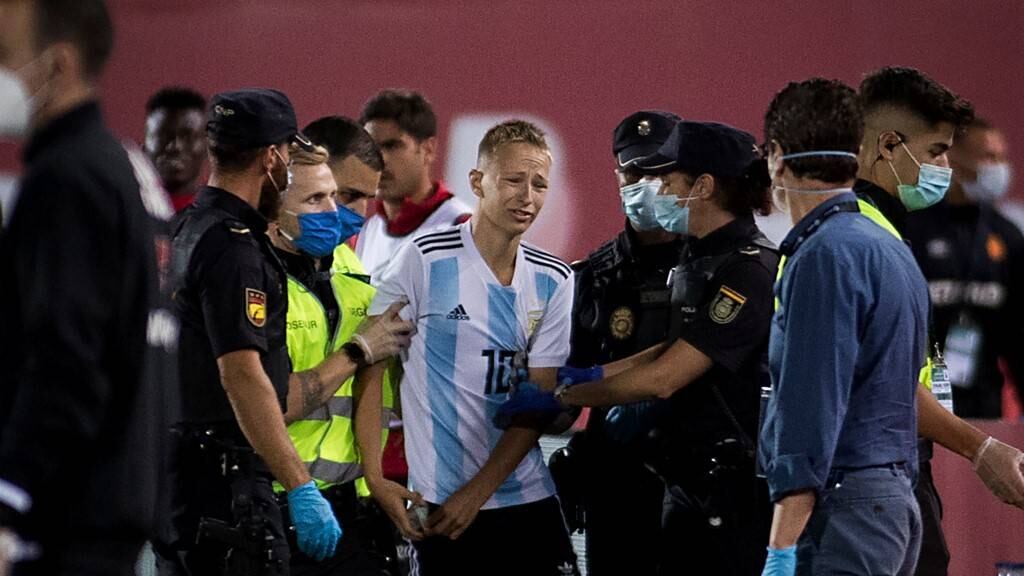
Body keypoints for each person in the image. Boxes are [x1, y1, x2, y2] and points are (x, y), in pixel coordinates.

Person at [498, 120, 777, 575]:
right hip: (675, 486)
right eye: (639, 174)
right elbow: (671, 348)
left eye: (668, 178)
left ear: (703, 186)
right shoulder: (700, 258)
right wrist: (588, 375)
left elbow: (665, 377)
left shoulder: (747, 270)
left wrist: (566, 393)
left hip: (724, 493)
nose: (658, 188)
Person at [354, 120, 579, 575]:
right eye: (513, 180)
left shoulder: (555, 279)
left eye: (539, 185)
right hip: (440, 505)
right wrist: (374, 478)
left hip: (527, 499)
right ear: (477, 182)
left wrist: (477, 493)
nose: (527, 197)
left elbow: (537, 402)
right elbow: (371, 367)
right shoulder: (423, 260)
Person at [0, 1, 178, 574]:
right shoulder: (125, 167)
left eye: (4, 54)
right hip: (117, 497)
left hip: (63, 515)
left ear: (58, 64)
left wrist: (10, 498)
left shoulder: (67, 177)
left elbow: (67, 361)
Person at [162, 88, 343, 576]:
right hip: (226, 490)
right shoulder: (234, 247)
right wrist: (300, 485)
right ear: (271, 159)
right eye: (286, 154)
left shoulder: (184, 227)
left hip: (181, 481)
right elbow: (242, 374)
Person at [856, 66, 1024, 576]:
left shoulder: (889, 230)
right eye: (935, 152)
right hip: (870, 473)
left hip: (908, 454)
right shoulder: (860, 241)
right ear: (889, 145)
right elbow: (883, 382)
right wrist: (981, 448)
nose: (944, 167)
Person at [759, 77, 928, 576]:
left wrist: (781, 546)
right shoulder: (888, 247)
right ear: (856, 154)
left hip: (843, 510)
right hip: (890, 502)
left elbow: (811, 405)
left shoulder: (823, 257)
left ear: (776, 156)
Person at [267, 143, 413, 576]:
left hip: (348, 506)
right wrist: (358, 350)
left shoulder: (354, 273)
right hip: (274, 499)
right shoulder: (250, 277)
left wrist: (375, 480)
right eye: (329, 196)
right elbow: (268, 403)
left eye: (357, 198)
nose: (343, 212)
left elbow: (377, 389)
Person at [563, 110, 682, 576]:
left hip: (694, 481)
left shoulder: (718, 267)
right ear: (616, 176)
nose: (644, 184)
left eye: (657, 171)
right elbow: (567, 389)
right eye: (633, 173)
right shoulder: (593, 276)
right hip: (618, 483)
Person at [906, 117, 1024, 418]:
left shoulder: (1008, 236)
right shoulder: (912, 228)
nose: (998, 168)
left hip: (983, 404)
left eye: (1001, 158)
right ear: (954, 160)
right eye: (988, 157)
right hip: (918, 403)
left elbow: (1018, 336)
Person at [356, 89, 471, 283]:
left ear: (428, 150)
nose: (379, 159)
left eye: (392, 146)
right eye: (371, 148)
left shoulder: (463, 228)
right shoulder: (367, 233)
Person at [303, 115, 386, 277]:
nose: (360, 214)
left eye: (367, 198)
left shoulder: (353, 268)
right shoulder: (254, 260)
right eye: (350, 195)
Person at [144, 86, 207, 212]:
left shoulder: (224, 214)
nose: (175, 147)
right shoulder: (123, 210)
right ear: (144, 147)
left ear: (207, 148)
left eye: (188, 137)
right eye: (163, 136)